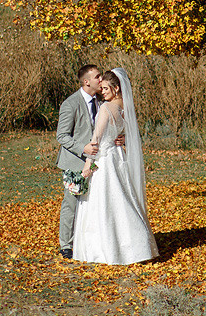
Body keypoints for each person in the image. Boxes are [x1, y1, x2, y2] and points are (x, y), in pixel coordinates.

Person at [72, 67, 158, 264]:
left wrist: (88, 164)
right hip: (118, 157)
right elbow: (127, 132)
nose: (102, 92)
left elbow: (96, 140)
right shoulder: (124, 108)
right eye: (101, 88)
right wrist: (123, 138)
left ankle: (105, 250)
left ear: (116, 88)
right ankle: (136, 247)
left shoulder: (106, 108)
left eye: (105, 88)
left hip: (104, 160)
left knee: (104, 204)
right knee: (122, 199)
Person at [55, 64, 104, 259]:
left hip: (98, 161)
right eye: (97, 77)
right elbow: (62, 136)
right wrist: (83, 148)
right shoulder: (71, 103)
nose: (101, 79)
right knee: (71, 203)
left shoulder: (101, 101)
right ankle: (66, 245)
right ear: (86, 81)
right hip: (74, 162)